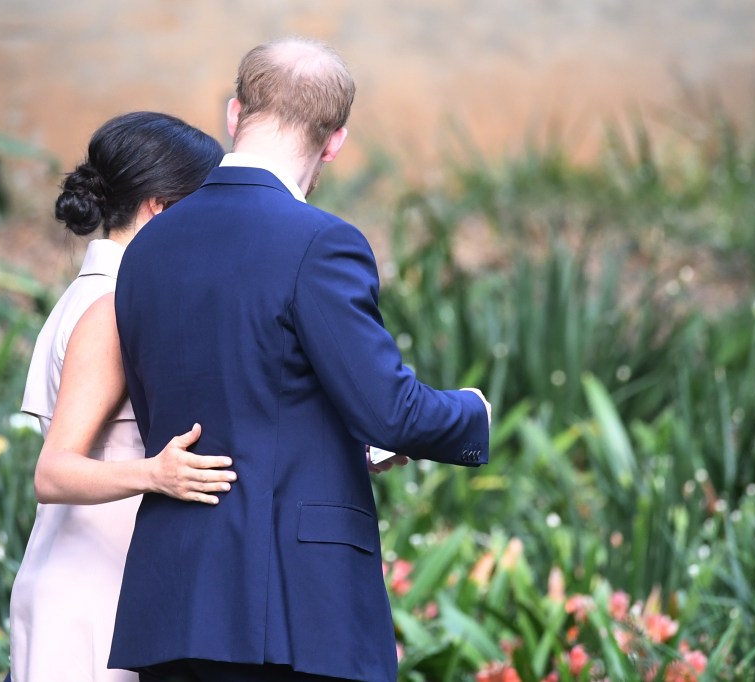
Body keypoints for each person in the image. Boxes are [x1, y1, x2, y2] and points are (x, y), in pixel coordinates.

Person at [110, 38, 491, 682]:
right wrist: (470, 413)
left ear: (235, 114)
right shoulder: (321, 243)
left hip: (172, 598)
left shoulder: (148, 246)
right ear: (335, 142)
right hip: (293, 608)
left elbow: (215, 395)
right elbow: (389, 409)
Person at [7, 112, 234, 682]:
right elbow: (54, 471)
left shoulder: (105, 296)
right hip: (91, 594)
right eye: (203, 207)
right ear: (158, 207)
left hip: (99, 579)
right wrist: (156, 474)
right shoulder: (110, 307)